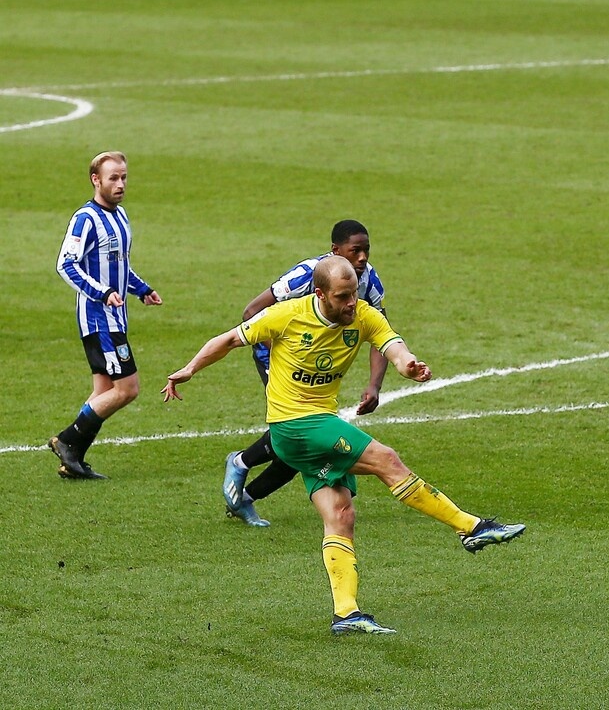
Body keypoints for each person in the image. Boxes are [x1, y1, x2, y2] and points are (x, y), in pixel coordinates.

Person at [162, 256, 525, 635]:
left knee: (340, 515)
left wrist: (408, 364)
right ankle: (470, 527)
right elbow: (228, 340)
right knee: (387, 460)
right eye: (342, 297)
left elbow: (393, 345)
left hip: (316, 427)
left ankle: (346, 613)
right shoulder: (286, 315)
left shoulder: (363, 315)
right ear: (320, 294)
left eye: (353, 293)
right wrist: (190, 368)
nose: (352, 302)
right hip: (293, 425)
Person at [221, 219, 388, 527]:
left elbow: (382, 336)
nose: (363, 257)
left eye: (366, 250)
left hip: (315, 366)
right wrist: (291, 355)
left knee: (301, 447)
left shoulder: (369, 282)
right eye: (355, 251)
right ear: (335, 251)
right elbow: (251, 312)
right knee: (296, 432)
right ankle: (241, 463)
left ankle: (245, 497)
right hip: (278, 357)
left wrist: (374, 385)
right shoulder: (305, 275)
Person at [49, 151, 163, 479]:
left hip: (115, 317)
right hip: (98, 319)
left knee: (103, 393)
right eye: (113, 178)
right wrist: (101, 292)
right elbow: (66, 265)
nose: (120, 184)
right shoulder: (85, 219)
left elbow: (119, 265)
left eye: (124, 177)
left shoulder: (121, 215)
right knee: (127, 389)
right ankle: (66, 441)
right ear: (95, 180)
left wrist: (141, 289)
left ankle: (72, 460)